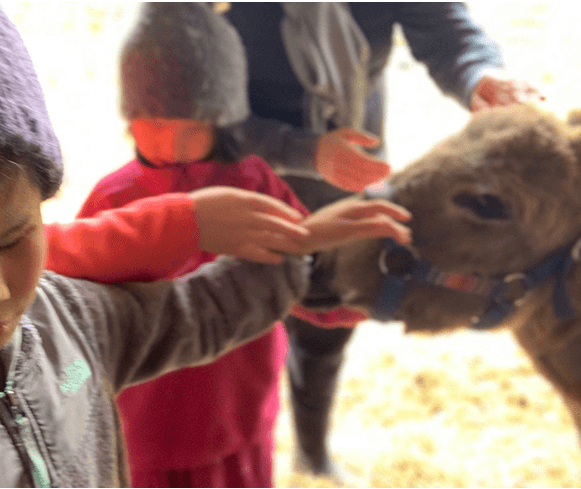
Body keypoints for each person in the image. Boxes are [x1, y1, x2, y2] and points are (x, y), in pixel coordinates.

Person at [0, 3, 415, 487]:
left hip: (237, 408)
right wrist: (183, 223)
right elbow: (91, 256)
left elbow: (188, 316)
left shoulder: (73, 333)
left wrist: (309, 248)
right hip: (152, 431)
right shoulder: (115, 196)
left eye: (13, 240)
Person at [45, 3, 403, 488]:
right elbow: (76, 317)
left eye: (190, 129)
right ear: (130, 121)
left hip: (241, 417)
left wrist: (340, 308)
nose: (170, 143)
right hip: (143, 433)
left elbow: (293, 264)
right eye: (152, 125)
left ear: (222, 122)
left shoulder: (254, 180)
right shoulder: (114, 199)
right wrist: (65, 391)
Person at [220, 2, 546, 479]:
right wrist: (306, 152)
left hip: (347, 176)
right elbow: (192, 110)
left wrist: (481, 75)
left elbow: (444, 29)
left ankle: (311, 455)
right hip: (235, 185)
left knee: (328, 320)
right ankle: (239, 454)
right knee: (228, 333)